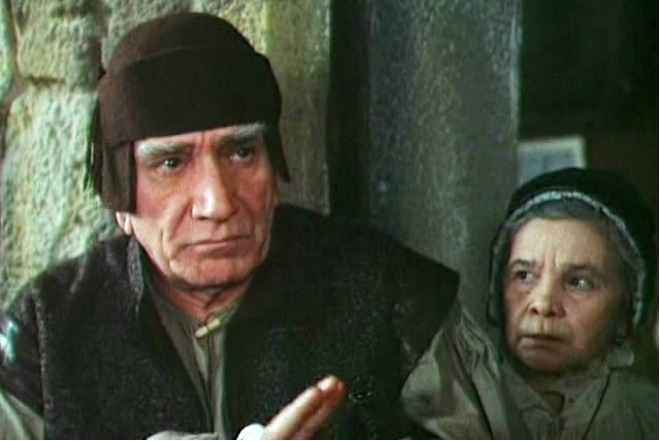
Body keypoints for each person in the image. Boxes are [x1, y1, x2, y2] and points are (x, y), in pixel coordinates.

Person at [0, 12, 458, 439]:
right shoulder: (46, 334)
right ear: (119, 198)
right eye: (171, 163)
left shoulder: (392, 298)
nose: (217, 203)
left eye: (242, 153)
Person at [402, 167, 658, 439]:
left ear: (627, 310)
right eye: (524, 276)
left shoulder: (650, 419)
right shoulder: (442, 408)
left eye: (579, 282)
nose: (543, 304)